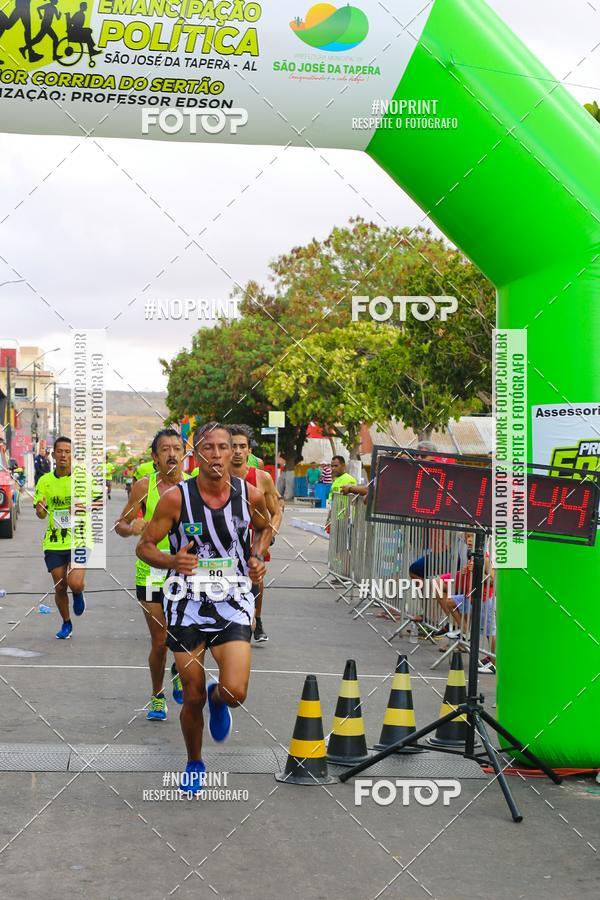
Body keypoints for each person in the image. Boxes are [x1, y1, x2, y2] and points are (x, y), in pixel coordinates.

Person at [136, 422, 272, 793]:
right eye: (208, 448)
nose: (216, 455)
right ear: (197, 454)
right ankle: (194, 761)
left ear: (234, 453)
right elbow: (144, 546)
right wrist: (171, 562)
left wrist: (257, 556)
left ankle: (219, 698)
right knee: (190, 694)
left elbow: (264, 527)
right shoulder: (176, 498)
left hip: (232, 600)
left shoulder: (250, 496)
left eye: (223, 448)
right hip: (185, 604)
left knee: (235, 692)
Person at [115, 429, 187, 721]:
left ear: (184, 454)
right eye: (165, 450)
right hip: (151, 571)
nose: (172, 454)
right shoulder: (144, 487)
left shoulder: (195, 487)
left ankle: (178, 669)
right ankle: (157, 696)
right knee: (160, 640)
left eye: (176, 449)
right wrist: (132, 527)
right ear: (155, 457)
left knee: (181, 636)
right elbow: (121, 523)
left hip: (184, 571)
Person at [33, 436, 101, 639]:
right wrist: (41, 509)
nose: (63, 455)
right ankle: (66, 623)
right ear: (53, 455)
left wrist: (82, 507)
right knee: (60, 585)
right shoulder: (44, 481)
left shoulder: (83, 479)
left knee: (75, 582)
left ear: (73, 456)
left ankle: (78, 593)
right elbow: (40, 513)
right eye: (60, 451)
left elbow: (99, 501)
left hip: (80, 537)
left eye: (67, 452)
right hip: (55, 541)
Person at [230, 425, 282, 643]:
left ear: (249, 451)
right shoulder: (213, 475)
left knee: (255, 579)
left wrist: (270, 534)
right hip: (225, 537)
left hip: (254, 536)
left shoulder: (261, 478)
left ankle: (256, 619)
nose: (238, 451)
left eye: (243, 446)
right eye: (233, 446)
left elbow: (277, 510)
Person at [325, 455, 357, 531]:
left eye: (336, 466)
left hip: (345, 521)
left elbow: (353, 501)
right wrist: (328, 519)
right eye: (332, 466)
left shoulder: (349, 479)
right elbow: (332, 502)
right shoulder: (335, 481)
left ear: (343, 466)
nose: (333, 468)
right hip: (335, 519)